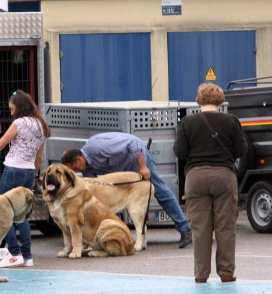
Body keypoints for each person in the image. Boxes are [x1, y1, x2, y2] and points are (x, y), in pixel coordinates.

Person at [61, 132, 193, 249]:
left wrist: (142, 167)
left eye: (75, 168)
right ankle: (119, 236)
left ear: (79, 159)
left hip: (136, 161)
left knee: (161, 192)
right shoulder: (87, 168)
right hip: (120, 171)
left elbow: (133, 143)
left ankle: (185, 229)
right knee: (107, 201)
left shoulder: (97, 148)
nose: (76, 172)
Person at [174, 83, 247, 283]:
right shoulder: (231, 121)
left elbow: (179, 152)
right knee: (225, 228)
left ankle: (201, 274)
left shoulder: (188, 122)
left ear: (199, 99)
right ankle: (226, 273)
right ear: (220, 100)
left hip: (196, 178)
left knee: (200, 230)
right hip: (224, 176)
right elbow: (241, 149)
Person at [0, 90, 49, 268]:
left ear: (18, 107)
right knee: (22, 216)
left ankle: (14, 252)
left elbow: (0, 144)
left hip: (13, 169)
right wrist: (34, 175)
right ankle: (27, 256)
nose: (10, 113)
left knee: (2, 211)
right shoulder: (41, 125)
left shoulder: (19, 123)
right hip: (29, 171)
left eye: (11, 109)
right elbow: (39, 157)